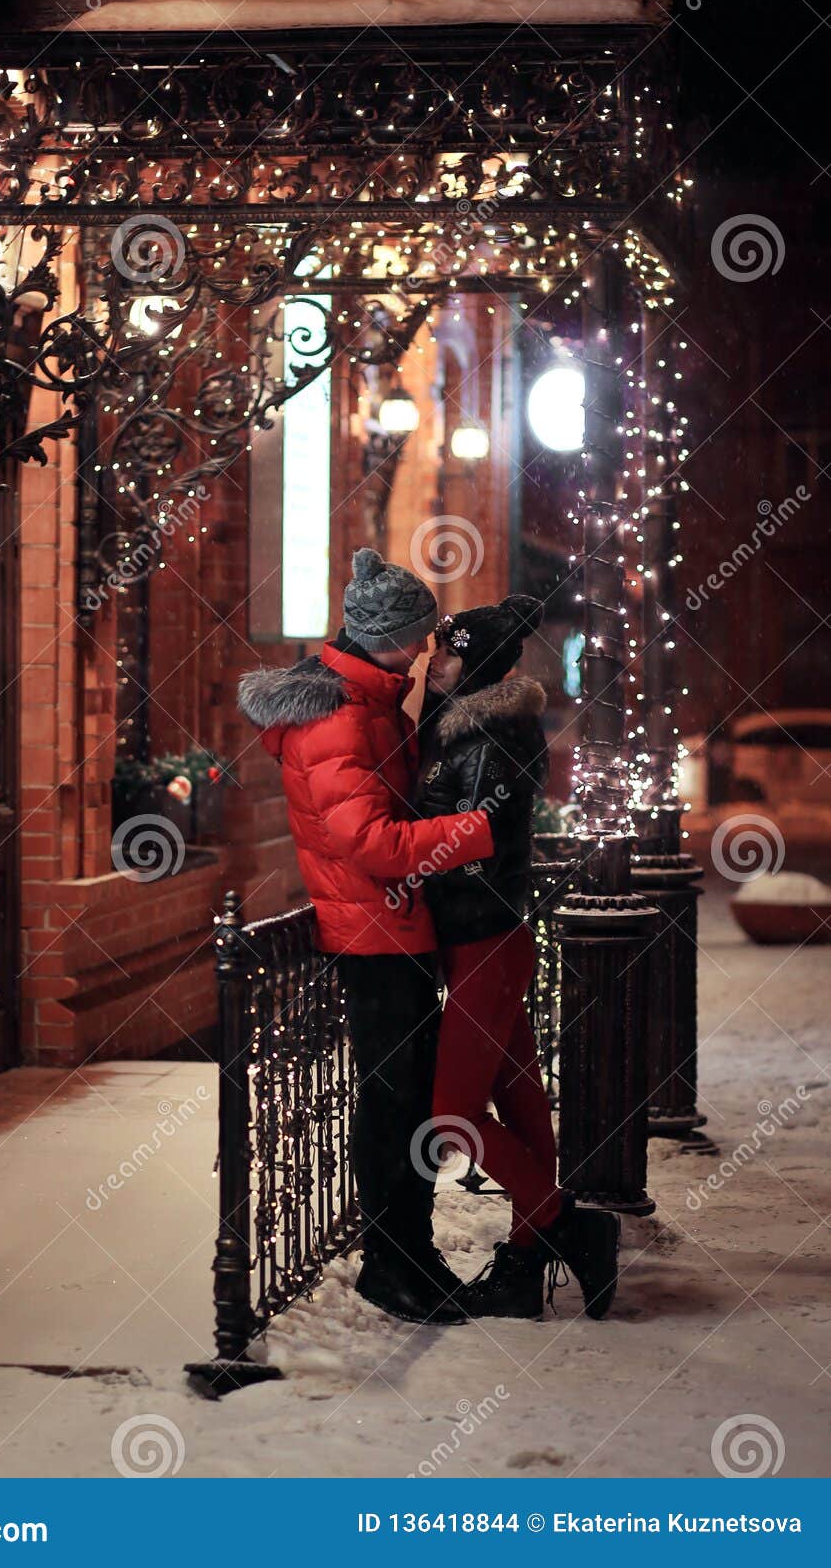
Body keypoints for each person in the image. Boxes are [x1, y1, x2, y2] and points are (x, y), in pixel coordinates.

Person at [238, 548, 495, 1326]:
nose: (424, 648)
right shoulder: (339, 717)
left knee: (408, 1103)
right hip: (374, 934)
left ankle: (409, 1252)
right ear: (384, 635)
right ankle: (391, 1263)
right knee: (392, 1105)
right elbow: (373, 843)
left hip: (395, 927)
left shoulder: (372, 701)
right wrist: (478, 830)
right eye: (416, 635)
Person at [417, 595, 620, 1320]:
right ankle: (526, 1262)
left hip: (483, 942)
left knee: (449, 1118)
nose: (431, 660)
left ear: (473, 662)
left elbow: (470, 841)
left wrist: (402, 859)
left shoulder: (487, 737)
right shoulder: (470, 729)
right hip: (485, 939)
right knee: (520, 1100)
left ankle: (567, 1224)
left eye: (445, 650)